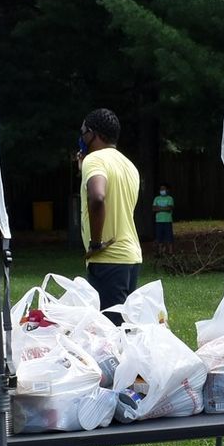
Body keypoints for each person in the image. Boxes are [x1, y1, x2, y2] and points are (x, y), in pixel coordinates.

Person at [77, 107, 142, 316]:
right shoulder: (129, 165)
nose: (81, 136)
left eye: (83, 131)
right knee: (121, 329)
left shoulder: (94, 160)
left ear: (95, 134)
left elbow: (97, 197)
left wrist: (95, 244)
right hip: (130, 257)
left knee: (108, 335)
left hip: (108, 259)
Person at [151, 183, 176, 258]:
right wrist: (164, 208)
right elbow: (154, 209)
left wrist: (159, 208)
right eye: (161, 189)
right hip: (158, 221)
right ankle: (160, 252)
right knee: (159, 237)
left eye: (164, 189)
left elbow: (169, 208)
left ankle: (170, 252)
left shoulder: (170, 198)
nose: (162, 190)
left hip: (167, 221)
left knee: (169, 236)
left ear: (167, 190)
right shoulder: (156, 198)